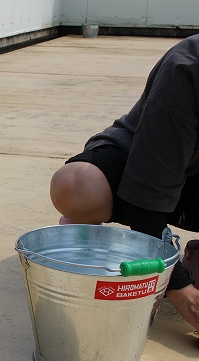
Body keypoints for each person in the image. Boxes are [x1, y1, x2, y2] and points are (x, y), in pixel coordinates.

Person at [50, 34, 199, 331]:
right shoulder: (187, 70)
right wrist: (180, 289)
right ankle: (83, 221)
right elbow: (144, 194)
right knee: (77, 186)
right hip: (144, 163)